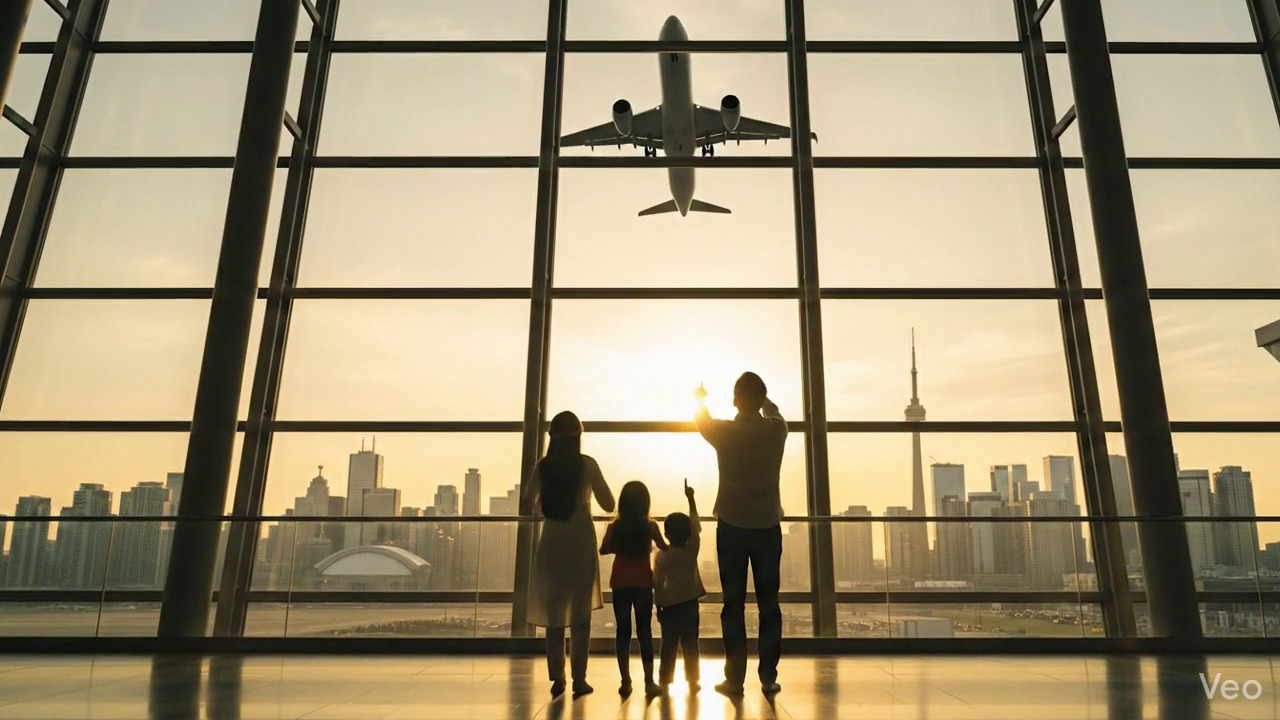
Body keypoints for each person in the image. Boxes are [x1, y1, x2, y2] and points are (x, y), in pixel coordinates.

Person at [695, 373, 787, 697]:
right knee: (769, 605)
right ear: (761, 401)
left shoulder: (724, 431)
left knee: (733, 606)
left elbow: (700, 419)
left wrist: (700, 397)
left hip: (732, 528)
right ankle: (768, 676)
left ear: (735, 401)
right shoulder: (777, 431)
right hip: (767, 528)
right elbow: (776, 413)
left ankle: (734, 679)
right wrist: (768, 403)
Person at [526, 411, 615, 699]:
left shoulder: (543, 467)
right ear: (578, 436)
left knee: (554, 613)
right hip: (578, 538)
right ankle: (579, 678)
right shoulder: (586, 465)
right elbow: (609, 502)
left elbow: (527, 503)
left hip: (552, 538)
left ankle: (557, 677)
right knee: (580, 615)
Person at [599, 480, 668, 698]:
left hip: (620, 583)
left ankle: (625, 681)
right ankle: (649, 681)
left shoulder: (615, 527)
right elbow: (665, 547)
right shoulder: (649, 526)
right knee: (644, 631)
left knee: (623, 632)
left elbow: (603, 550)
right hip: (642, 583)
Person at [654, 480, 706, 693]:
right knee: (690, 643)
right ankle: (693, 681)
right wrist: (691, 499)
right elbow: (696, 525)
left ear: (666, 534)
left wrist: (658, 606)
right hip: (690, 605)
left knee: (669, 645)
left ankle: (665, 680)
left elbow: (657, 583)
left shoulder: (662, 556)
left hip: (669, 607)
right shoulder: (691, 550)